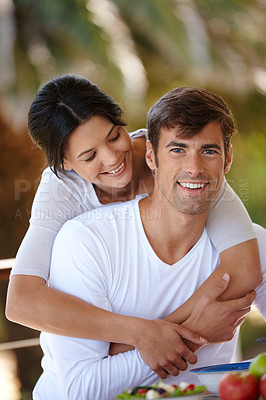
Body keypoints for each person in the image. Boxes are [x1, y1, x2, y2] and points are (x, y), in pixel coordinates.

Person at [6, 75, 261, 375]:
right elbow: (21, 300)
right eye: (90, 156)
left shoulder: (177, 159)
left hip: (143, 359)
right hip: (92, 354)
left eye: (114, 136)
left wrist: (166, 333)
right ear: (65, 164)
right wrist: (142, 334)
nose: (113, 157)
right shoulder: (60, 190)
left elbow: (244, 267)